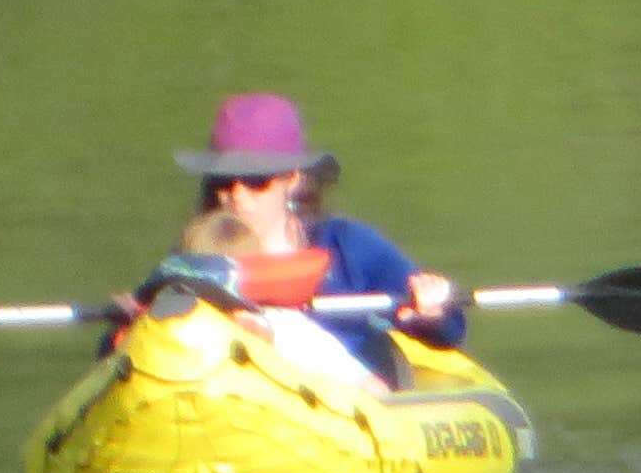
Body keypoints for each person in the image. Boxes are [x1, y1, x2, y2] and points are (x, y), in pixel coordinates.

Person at [139, 93, 465, 356]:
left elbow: (452, 327)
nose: (237, 196)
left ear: (292, 180)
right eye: (223, 181)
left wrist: (432, 313)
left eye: (256, 181)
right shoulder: (196, 256)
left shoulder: (347, 246)